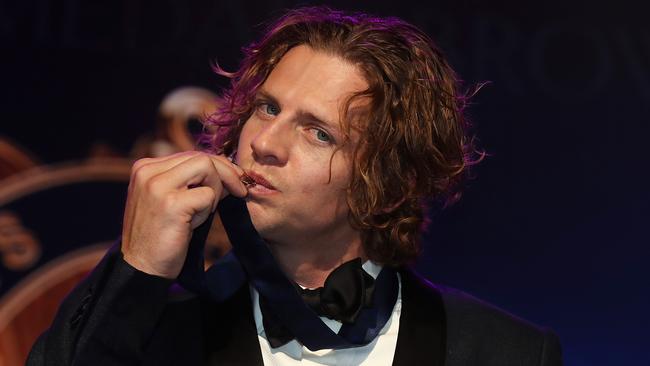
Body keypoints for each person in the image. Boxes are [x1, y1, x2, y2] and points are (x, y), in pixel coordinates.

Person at [28, 6, 562, 366]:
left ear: (391, 181)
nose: (265, 143)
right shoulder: (154, 325)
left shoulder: (505, 351)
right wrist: (137, 269)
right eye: (267, 108)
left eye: (319, 132)